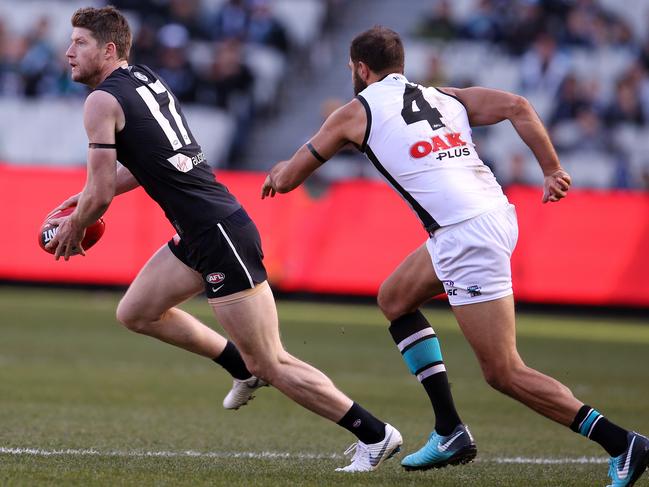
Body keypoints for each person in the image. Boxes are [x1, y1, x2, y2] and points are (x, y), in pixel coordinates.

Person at [261, 26, 649, 485]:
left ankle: (622, 443)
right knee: (395, 298)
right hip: (487, 215)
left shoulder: (354, 112)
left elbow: (288, 182)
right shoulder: (444, 96)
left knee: (504, 371)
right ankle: (449, 430)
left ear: (361, 69)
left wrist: (277, 171)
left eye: (352, 68)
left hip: (466, 235)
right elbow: (517, 106)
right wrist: (552, 169)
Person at [46, 7, 402, 472]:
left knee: (271, 361)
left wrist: (75, 224)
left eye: (80, 43)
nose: (69, 52)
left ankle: (374, 434)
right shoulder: (141, 79)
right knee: (136, 311)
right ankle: (238, 366)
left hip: (216, 234)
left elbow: (100, 194)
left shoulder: (99, 102)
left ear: (108, 50)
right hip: (203, 229)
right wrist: (87, 196)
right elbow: (151, 161)